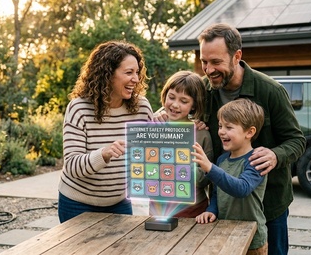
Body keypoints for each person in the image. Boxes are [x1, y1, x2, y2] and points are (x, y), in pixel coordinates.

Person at [196, 23, 306, 255]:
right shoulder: (203, 91)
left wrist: (277, 154)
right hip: (224, 205)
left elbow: (296, 140)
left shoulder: (270, 91)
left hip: (269, 204)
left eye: (216, 62)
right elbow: (177, 107)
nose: (208, 69)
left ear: (237, 56)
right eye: (204, 62)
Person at [58, 40, 153, 223]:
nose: (136, 79)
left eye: (137, 72)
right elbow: (72, 166)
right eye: (128, 73)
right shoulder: (79, 109)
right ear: (108, 74)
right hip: (77, 203)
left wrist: (184, 123)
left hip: (119, 202)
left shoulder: (141, 107)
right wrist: (104, 153)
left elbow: (152, 151)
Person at [193, 98, 267, 254]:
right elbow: (216, 193)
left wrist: (209, 168)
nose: (221, 131)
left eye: (229, 127)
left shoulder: (256, 160)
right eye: (220, 126)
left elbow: (242, 188)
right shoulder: (222, 160)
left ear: (250, 132)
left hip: (253, 241)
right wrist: (211, 210)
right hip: (226, 235)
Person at [148, 70, 214, 218]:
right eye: (171, 97)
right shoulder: (153, 127)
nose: (175, 105)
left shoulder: (201, 134)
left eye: (184, 101)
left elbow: (207, 176)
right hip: (158, 209)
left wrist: (180, 167)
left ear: (194, 105)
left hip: (193, 210)